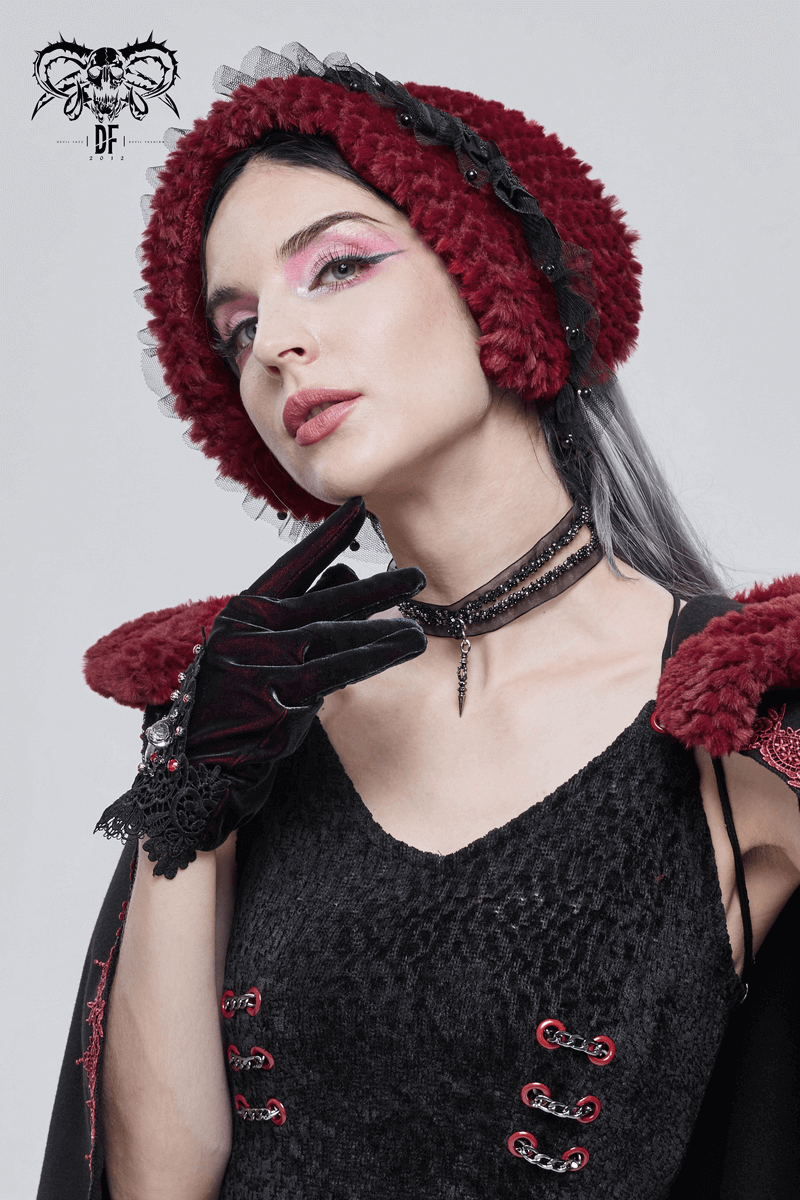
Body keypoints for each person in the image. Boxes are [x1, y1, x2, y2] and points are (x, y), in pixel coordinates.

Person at [38, 43, 799, 1200]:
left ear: (496, 277)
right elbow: (156, 1185)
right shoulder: (249, 716)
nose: (274, 345)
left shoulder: (742, 722)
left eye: (336, 267)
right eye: (237, 327)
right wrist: (189, 798)